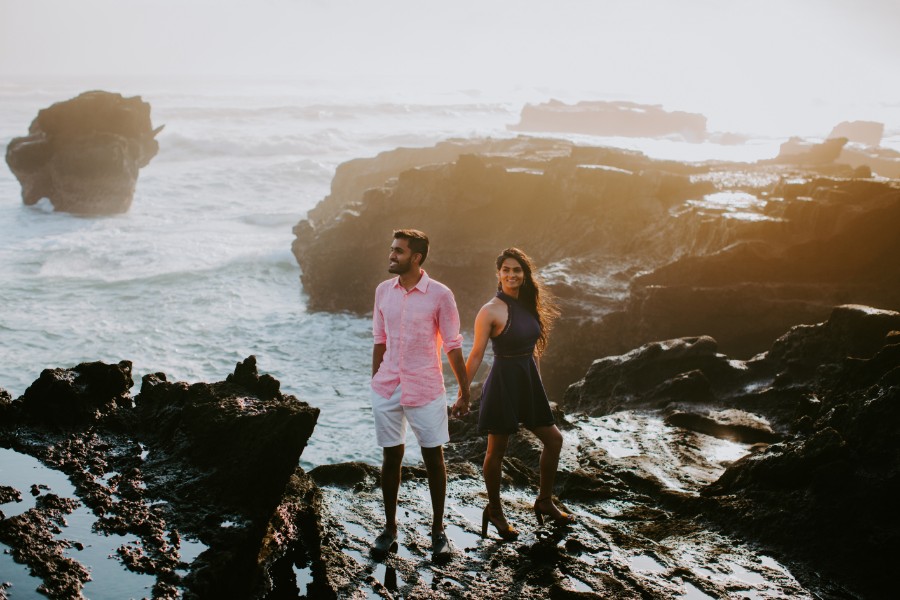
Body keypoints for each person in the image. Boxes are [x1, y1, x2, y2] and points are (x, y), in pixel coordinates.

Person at [460, 247, 574, 541]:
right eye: (506, 270)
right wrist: (462, 393)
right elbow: (475, 355)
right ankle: (495, 510)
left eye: (517, 270)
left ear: (524, 275)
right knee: (496, 451)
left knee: (554, 439)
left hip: (527, 381)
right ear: (498, 274)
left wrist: (538, 385)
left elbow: (534, 348)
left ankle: (545, 500)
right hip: (502, 383)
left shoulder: (528, 304)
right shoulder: (489, 311)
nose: (512, 275)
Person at [370, 229, 470, 561]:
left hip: (425, 387)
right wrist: (376, 381)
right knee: (390, 457)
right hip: (388, 386)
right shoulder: (383, 291)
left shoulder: (440, 294)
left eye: (398, 251)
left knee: (433, 459)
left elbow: (453, 346)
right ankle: (389, 529)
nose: (391, 255)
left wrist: (464, 391)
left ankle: (438, 533)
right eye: (391, 249)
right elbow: (379, 340)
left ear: (416, 257)